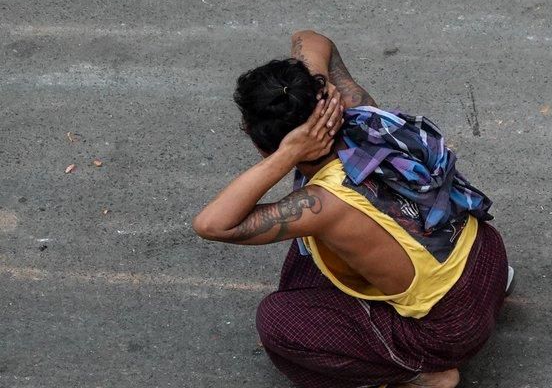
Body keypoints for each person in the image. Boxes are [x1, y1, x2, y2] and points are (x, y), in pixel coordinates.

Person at [193, 30, 509, 388]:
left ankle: (425, 375)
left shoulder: (323, 206)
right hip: (488, 258)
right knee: (310, 257)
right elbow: (311, 37)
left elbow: (212, 225)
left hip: (451, 329)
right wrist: (317, 91)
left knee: (279, 322)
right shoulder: (360, 114)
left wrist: (287, 155)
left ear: (262, 142)